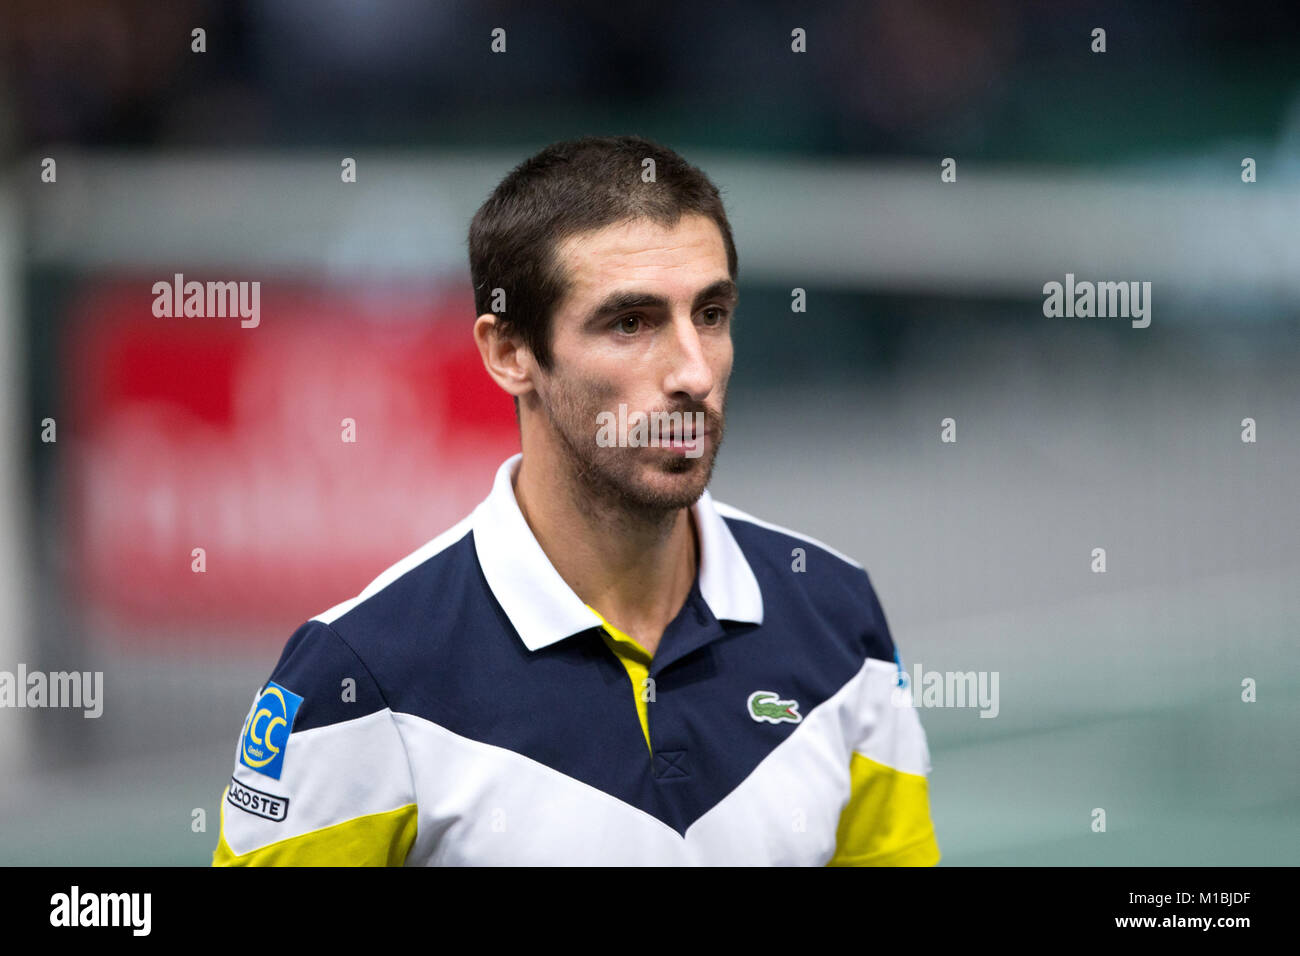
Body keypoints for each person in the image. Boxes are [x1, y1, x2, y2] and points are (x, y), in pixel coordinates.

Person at [212, 135, 940, 865]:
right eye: (631, 322)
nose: (693, 371)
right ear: (509, 353)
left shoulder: (839, 620)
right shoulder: (357, 677)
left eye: (711, 314)